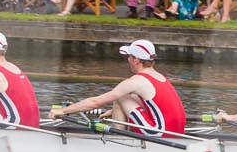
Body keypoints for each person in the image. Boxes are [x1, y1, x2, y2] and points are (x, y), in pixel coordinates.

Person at [55, 39, 187, 133]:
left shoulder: (137, 81)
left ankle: (116, 140)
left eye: (129, 56)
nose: (128, 60)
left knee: (120, 97)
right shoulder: (160, 77)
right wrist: (114, 112)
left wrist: (63, 111)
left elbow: (95, 102)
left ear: (136, 60)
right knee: (129, 97)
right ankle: (119, 124)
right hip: (176, 132)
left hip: (159, 133)